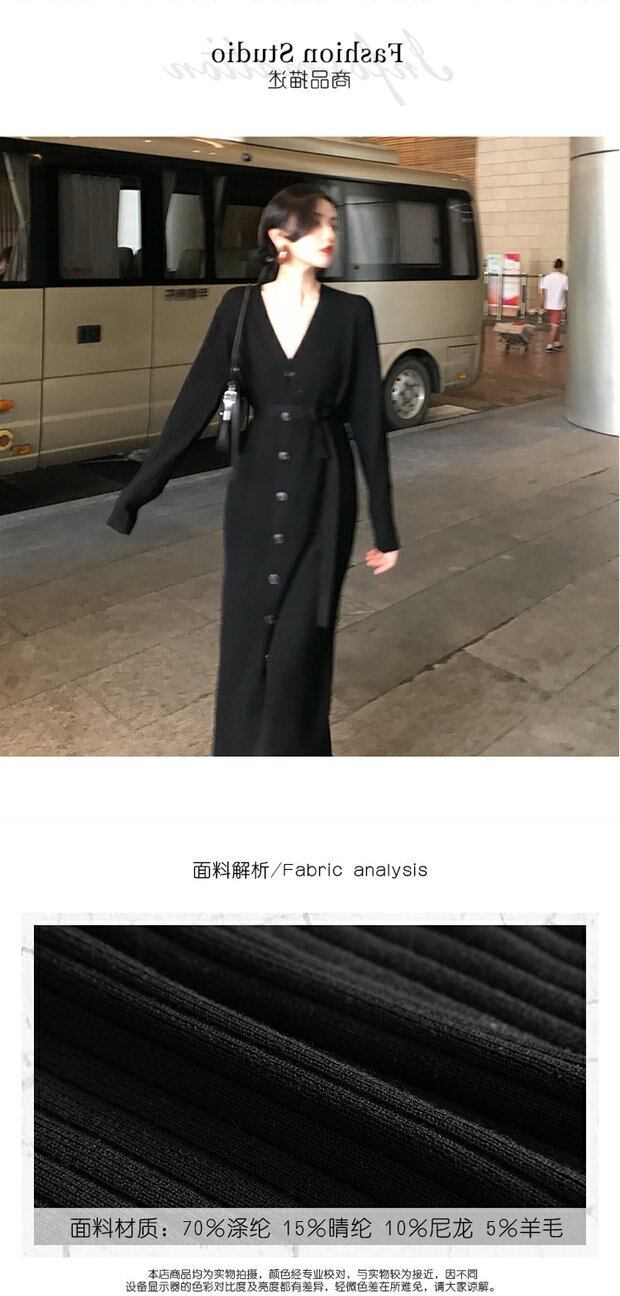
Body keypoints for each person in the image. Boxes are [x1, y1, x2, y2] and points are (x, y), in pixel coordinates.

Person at [106, 184, 400, 756]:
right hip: (255, 487)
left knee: (301, 646)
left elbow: (368, 423)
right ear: (279, 236)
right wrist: (137, 492)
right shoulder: (238, 307)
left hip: (324, 494)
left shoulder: (352, 314)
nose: (330, 234)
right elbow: (195, 400)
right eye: (317, 223)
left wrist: (385, 528)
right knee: (244, 640)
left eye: (333, 224)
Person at [539, 258, 569, 351]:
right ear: (562, 267)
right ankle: (549, 344)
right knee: (554, 326)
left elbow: (542, 293)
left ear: (554, 266)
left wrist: (541, 305)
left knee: (555, 324)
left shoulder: (546, 278)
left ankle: (557, 342)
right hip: (558, 305)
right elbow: (566, 292)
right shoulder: (564, 278)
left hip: (548, 305)